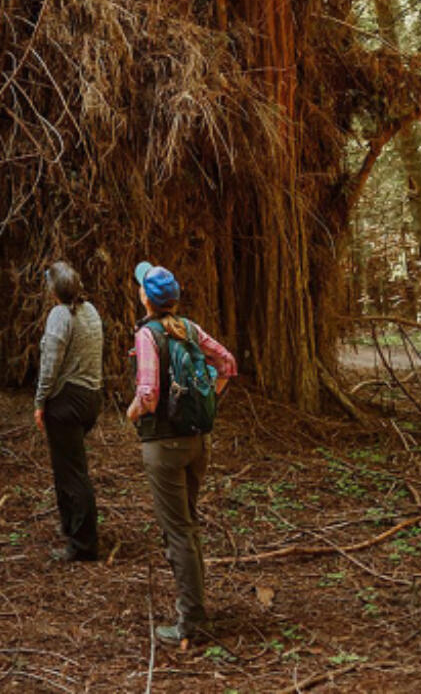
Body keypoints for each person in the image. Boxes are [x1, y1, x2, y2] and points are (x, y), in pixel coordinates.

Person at [127, 261, 236, 647]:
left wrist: (131, 413)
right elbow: (227, 363)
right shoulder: (190, 329)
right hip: (197, 442)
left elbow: (149, 395)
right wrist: (207, 399)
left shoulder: (147, 335)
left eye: (141, 287)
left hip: (163, 445)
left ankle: (192, 620)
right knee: (186, 526)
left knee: (178, 530)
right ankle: (193, 604)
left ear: (146, 298)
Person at [34, 260, 103, 563]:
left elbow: (50, 365)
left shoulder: (60, 315)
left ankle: (83, 544)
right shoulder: (90, 311)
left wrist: (39, 402)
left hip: (67, 400)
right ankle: (71, 527)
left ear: (53, 290)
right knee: (70, 467)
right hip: (90, 397)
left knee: (72, 472)